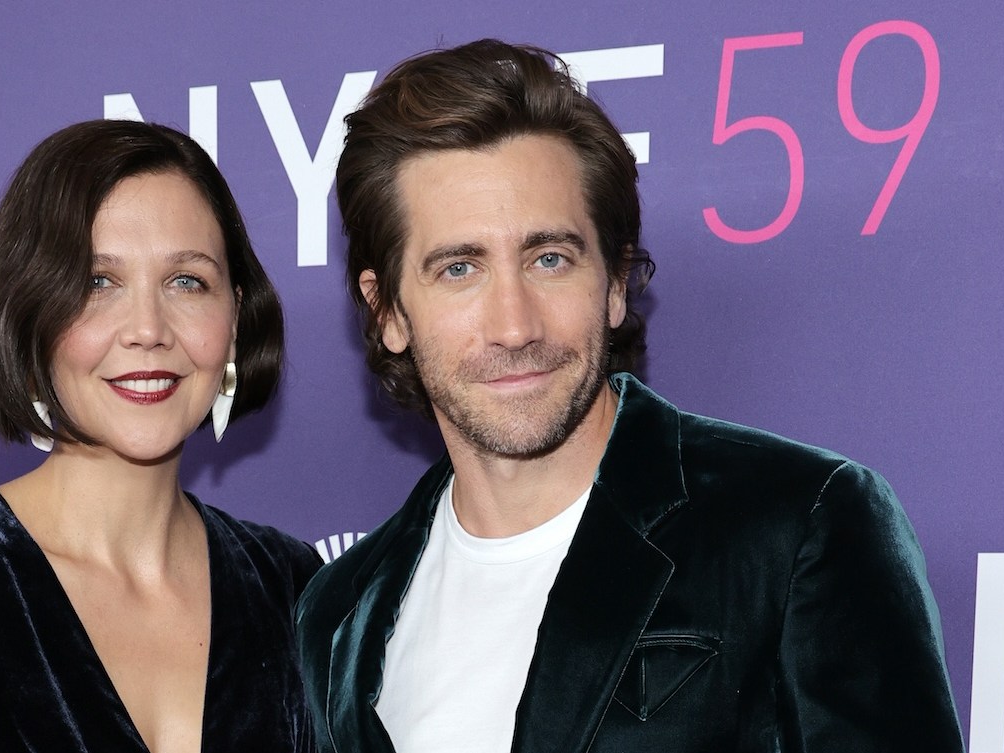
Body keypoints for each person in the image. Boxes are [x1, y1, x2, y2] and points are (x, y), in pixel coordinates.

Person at [296, 39, 964, 753]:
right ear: (388, 312)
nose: (514, 326)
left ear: (614, 283)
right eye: (459, 269)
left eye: (549, 259)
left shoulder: (799, 525)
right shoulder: (339, 611)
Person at [0, 120, 321, 752]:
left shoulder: (292, 586)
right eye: (97, 283)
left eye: (187, 281)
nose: (148, 330)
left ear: (236, 320)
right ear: (31, 316)